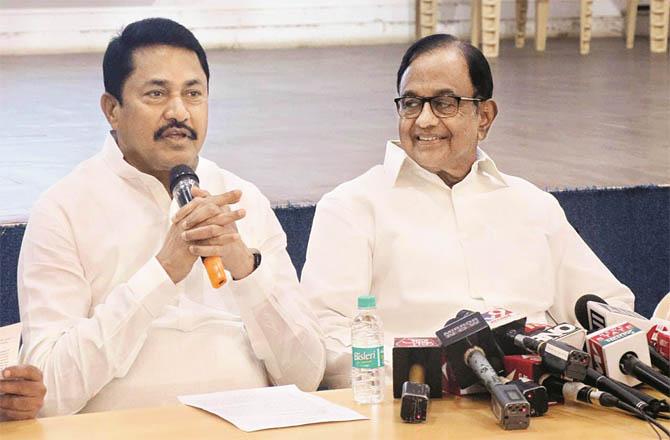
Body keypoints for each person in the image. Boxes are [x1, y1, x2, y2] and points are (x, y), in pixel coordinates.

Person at [18, 17, 324, 416]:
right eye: (157, 94)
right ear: (112, 109)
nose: (178, 111)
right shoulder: (63, 210)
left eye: (193, 94)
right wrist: (161, 274)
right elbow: (49, 397)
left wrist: (245, 268)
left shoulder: (243, 200)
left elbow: (306, 377)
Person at [301, 34, 635, 388]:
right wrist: (434, 374)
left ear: (484, 117)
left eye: (444, 103)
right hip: (418, 409)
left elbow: (608, 310)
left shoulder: (532, 205)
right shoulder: (352, 207)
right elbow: (325, 342)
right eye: (412, 103)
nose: (424, 120)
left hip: (544, 403)